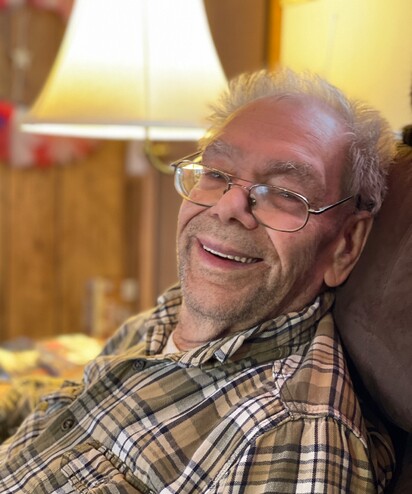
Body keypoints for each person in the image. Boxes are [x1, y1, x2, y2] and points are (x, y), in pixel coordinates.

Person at [0, 68, 396, 493]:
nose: (227, 207)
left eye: (284, 193)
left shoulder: (288, 438)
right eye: (217, 174)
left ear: (345, 245)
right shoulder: (168, 318)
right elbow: (78, 400)